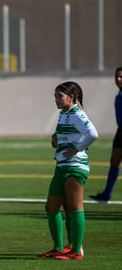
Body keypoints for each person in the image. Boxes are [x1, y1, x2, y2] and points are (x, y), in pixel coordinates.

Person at [38, 81, 98, 260]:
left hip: (75, 166)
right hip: (61, 166)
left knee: (74, 207)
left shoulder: (77, 113)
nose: (56, 99)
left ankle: (76, 251)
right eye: (55, 96)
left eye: (60, 96)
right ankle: (58, 247)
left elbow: (93, 133)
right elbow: (60, 137)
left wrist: (77, 148)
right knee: (51, 207)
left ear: (71, 97)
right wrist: (56, 139)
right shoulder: (64, 114)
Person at [90, 66, 122, 203]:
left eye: (121, 76)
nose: (119, 79)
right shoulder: (119, 95)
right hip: (120, 131)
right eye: (117, 77)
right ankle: (106, 194)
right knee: (114, 162)